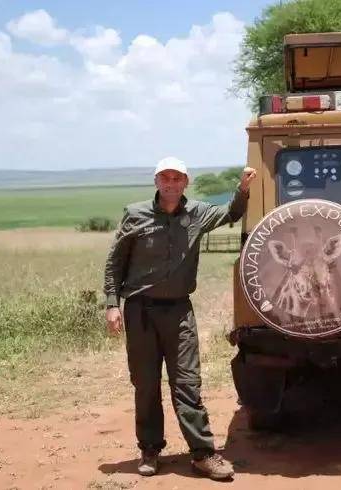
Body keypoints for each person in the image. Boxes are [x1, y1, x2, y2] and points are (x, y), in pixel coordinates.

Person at [104, 156, 256, 480]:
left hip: (178, 311)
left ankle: (202, 454)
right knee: (145, 384)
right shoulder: (135, 214)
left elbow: (232, 213)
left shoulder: (198, 213)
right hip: (140, 310)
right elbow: (115, 261)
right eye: (165, 178)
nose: (171, 184)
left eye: (177, 178)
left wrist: (242, 190)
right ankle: (150, 449)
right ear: (156, 182)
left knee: (187, 383)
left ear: (186, 183)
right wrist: (111, 303)